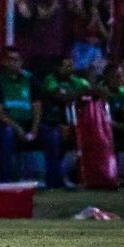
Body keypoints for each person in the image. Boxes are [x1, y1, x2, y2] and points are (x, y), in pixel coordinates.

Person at [0, 47, 47, 183]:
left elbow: (37, 107)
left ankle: (54, 182)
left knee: (52, 135)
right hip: (9, 124)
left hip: (29, 124)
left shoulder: (30, 80)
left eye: (17, 60)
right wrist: (18, 128)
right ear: (4, 62)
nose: (14, 63)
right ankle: (4, 180)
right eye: (10, 59)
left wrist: (34, 129)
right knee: (6, 133)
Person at [39, 57, 91, 189]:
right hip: (50, 122)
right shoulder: (50, 79)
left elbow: (90, 90)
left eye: (71, 66)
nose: (70, 69)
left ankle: (86, 176)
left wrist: (73, 94)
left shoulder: (75, 80)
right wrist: (76, 94)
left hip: (72, 122)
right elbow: (60, 97)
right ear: (58, 67)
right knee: (54, 138)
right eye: (66, 66)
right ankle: (54, 181)